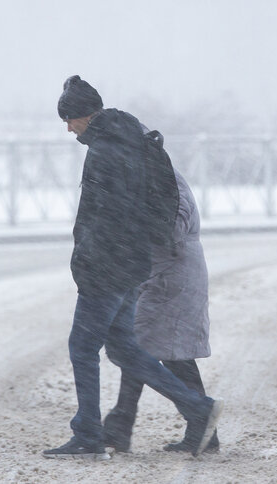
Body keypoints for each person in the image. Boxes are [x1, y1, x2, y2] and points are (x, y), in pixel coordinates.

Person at [42, 75, 223, 460]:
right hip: (129, 265)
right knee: (127, 349)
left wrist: (88, 264)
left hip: (107, 268)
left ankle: (89, 434)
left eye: (69, 119)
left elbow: (105, 216)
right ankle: (197, 408)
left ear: (83, 116)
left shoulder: (105, 152)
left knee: (82, 348)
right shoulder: (128, 145)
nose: (68, 128)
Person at [102, 168, 220, 454]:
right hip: (164, 272)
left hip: (171, 274)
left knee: (149, 349)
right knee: (157, 348)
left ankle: (125, 424)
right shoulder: (152, 175)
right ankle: (199, 424)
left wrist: (132, 227)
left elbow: (171, 227)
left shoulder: (162, 178)